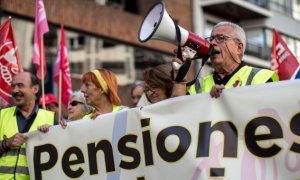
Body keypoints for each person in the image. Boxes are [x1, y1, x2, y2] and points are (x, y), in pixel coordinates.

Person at [172, 21, 279, 97]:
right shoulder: (198, 85)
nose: (212, 43)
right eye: (211, 39)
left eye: (221, 38)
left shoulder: (262, 78)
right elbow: (179, 114)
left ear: (239, 48)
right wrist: (180, 79)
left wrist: (228, 99)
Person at [0, 72, 55, 179]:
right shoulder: (2, 115)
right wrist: (6, 143)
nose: (15, 90)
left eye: (20, 85)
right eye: (13, 86)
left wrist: (61, 129)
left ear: (35, 89)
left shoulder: (51, 120)